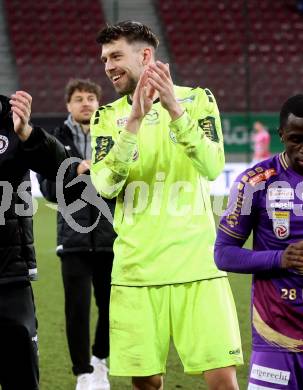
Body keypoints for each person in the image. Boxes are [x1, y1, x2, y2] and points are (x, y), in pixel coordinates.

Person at [90, 21, 243, 390]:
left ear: (145, 55)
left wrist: (174, 108)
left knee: (223, 380)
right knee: (146, 383)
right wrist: (136, 121)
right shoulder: (107, 117)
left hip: (198, 265)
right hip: (136, 270)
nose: (108, 66)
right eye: (104, 59)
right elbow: (105, 185)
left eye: (115, 56)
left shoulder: (198, 99)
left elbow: (211, 165)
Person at [214, 94, 303, 390]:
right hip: (275, 338)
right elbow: (223, 254)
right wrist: (281, 259)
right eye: (295, 139)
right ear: (281, 136)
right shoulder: (254, 182)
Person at [38, 79, 115, 390]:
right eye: (79, 99)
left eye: (91, 98)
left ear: (99, 104)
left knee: (113, 308)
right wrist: (76, 172)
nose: (86, 103)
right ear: (68, 106)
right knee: (77, 310)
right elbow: (47, 189)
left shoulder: (114, 137)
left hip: (111, 239)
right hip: (73, 241)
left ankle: (100, 361)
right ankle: (83, 372)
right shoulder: (54, 140)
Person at [0, 91, 69, 390]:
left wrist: (26, 132)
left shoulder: (10, 116)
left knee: (22, 380)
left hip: (10, 279)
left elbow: (61, 169)